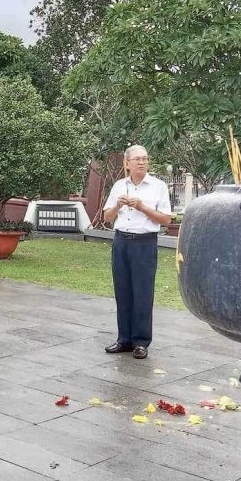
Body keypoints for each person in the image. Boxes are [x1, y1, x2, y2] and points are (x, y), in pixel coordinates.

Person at [102, 145, 172, 360]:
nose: (142, 162)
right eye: (137, 159)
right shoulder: (119, 185)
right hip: (122, 241)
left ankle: (141, 341)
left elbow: (166, 220)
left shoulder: (158, 186)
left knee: (142, 292)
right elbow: (107, 217)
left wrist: (142, 207)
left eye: (145, 159)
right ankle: (124, 339)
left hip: (144, 242)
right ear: (127, 163)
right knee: (122, 291)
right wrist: (117, 207)